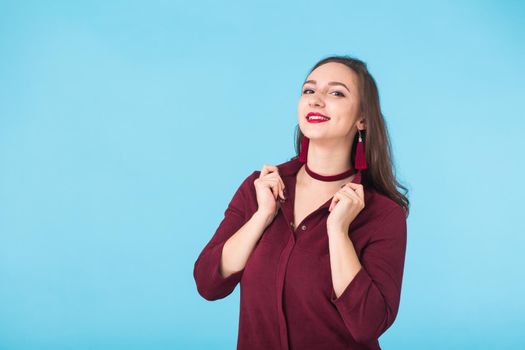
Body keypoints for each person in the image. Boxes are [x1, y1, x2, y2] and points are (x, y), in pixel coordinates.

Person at [193, 55, 410, 350]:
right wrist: (261, 217)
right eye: (309, 90)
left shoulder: (383, 214)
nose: (316, 100)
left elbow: (367, 325)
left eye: (336, 93)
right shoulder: (259, 188)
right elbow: (208, 282)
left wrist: (338, 232)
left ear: (362, 118)